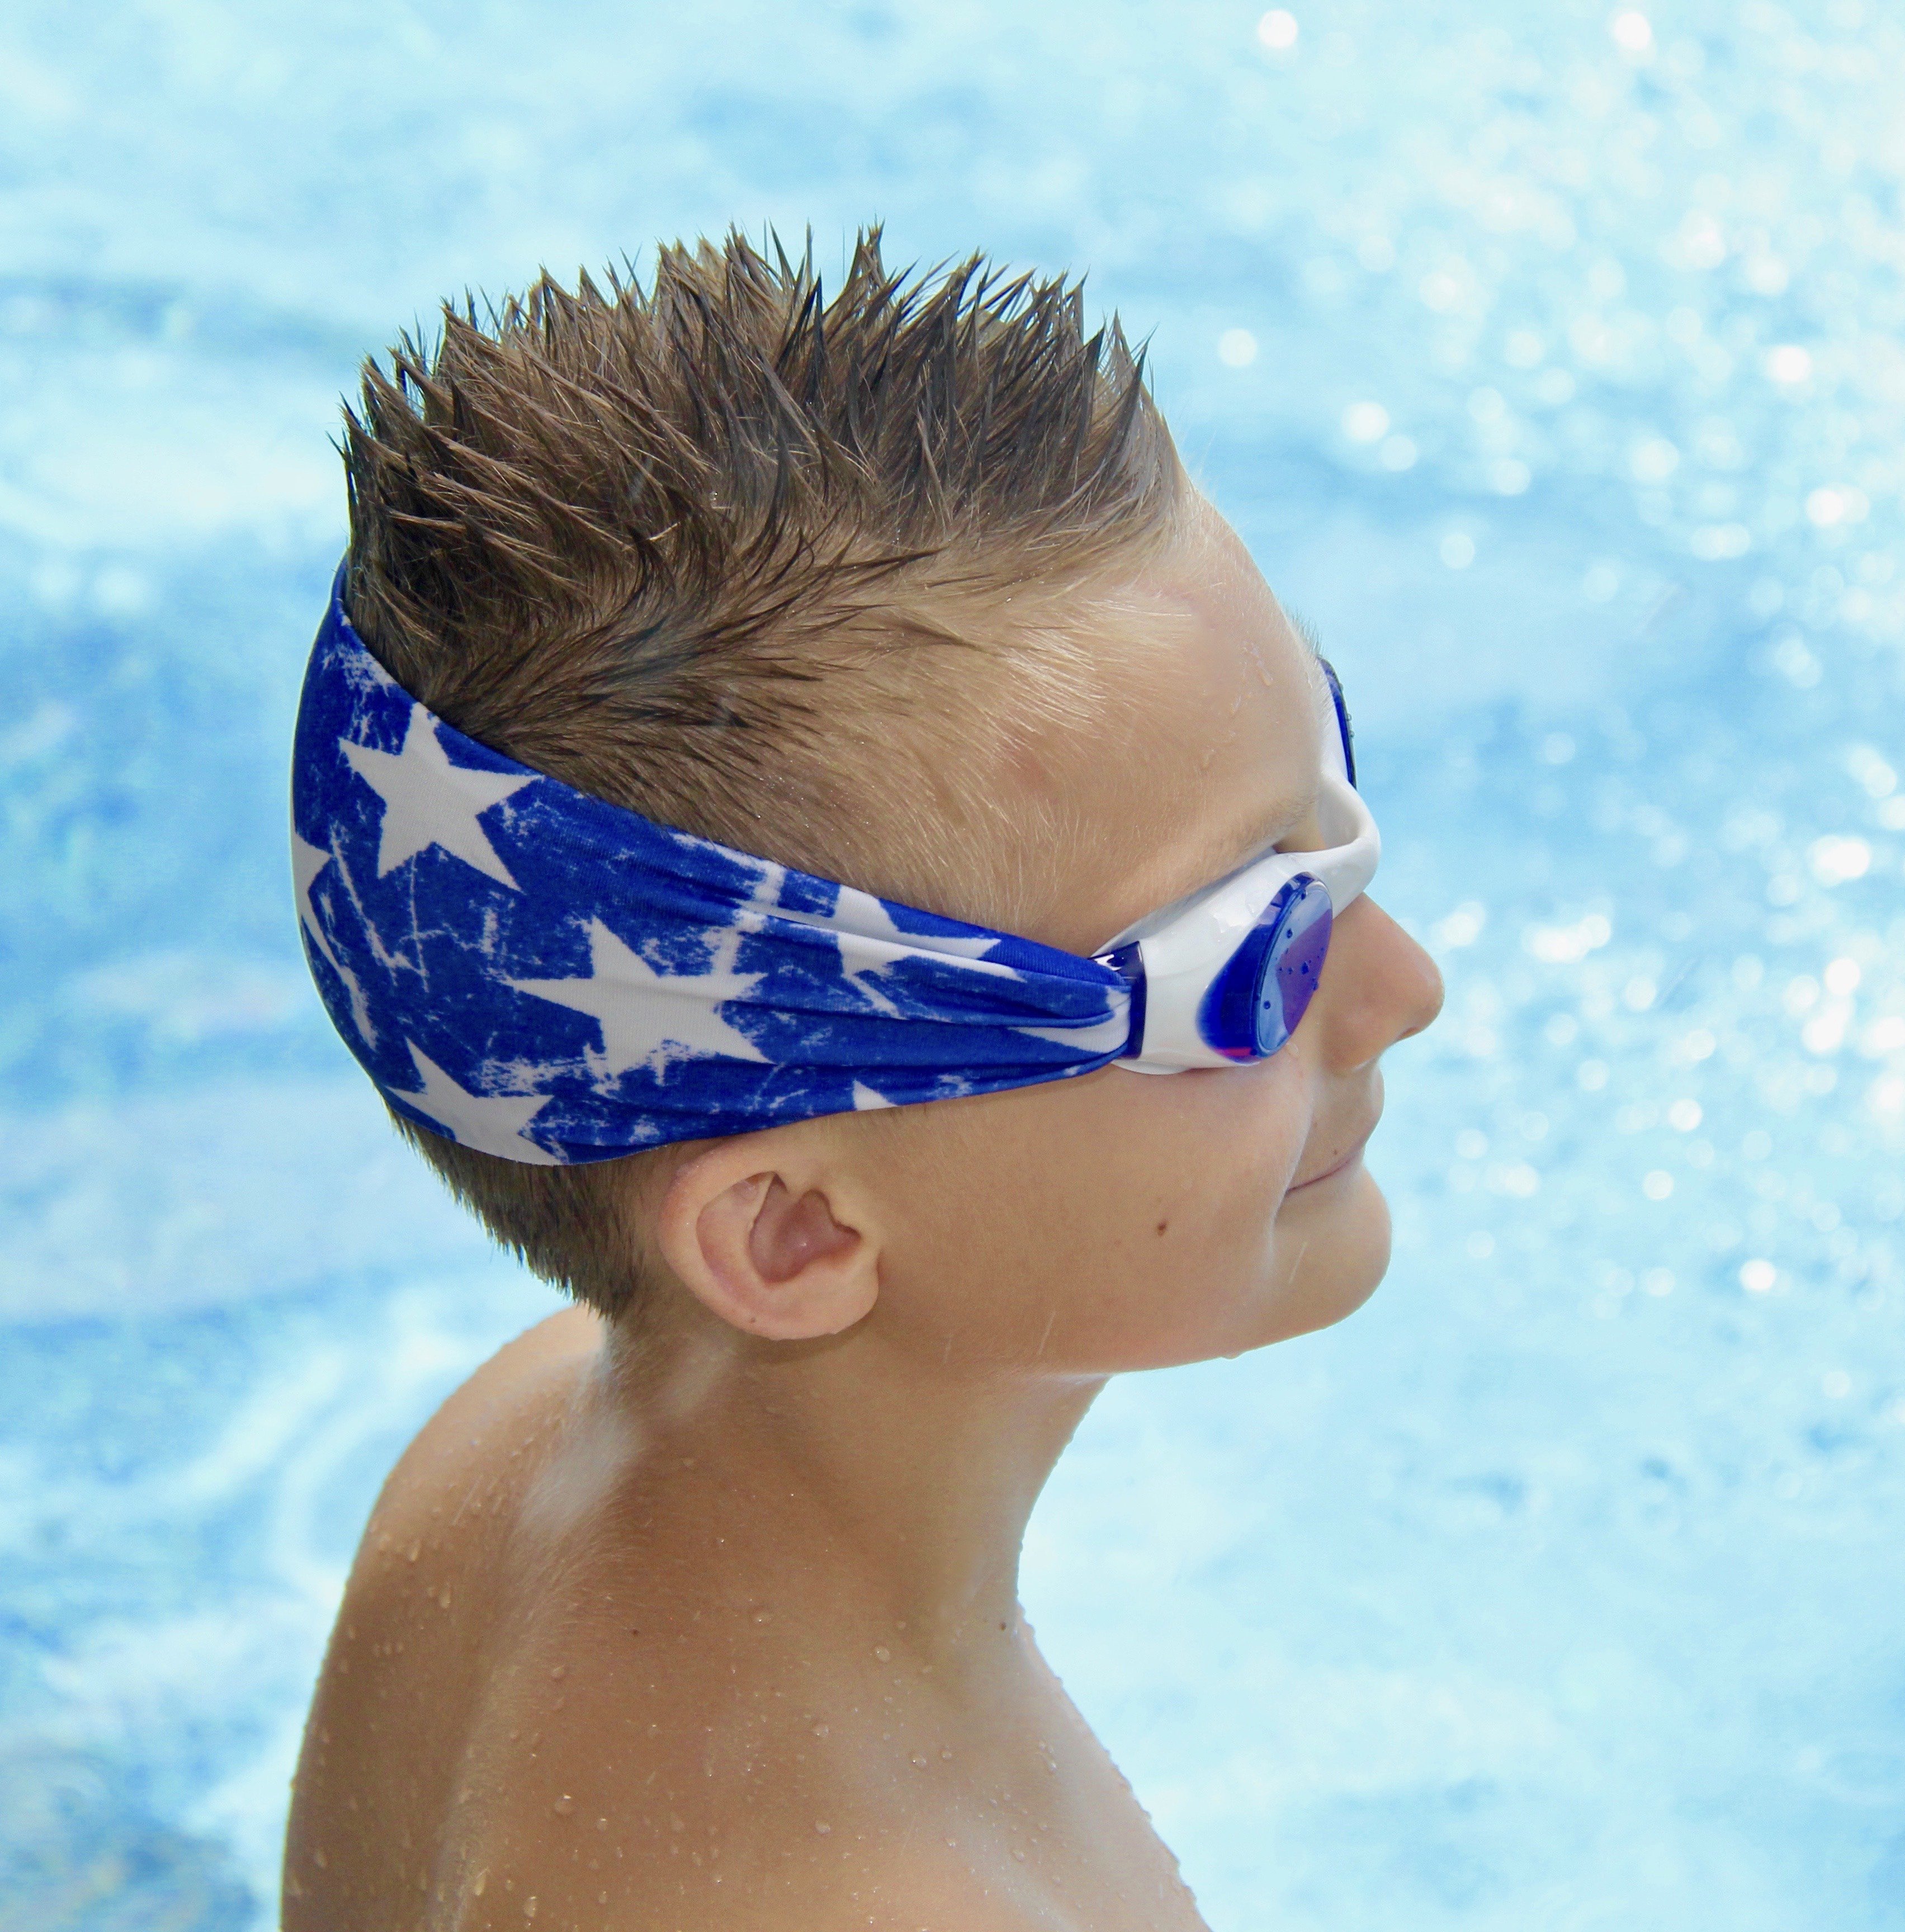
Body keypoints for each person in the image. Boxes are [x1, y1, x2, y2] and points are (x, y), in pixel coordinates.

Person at [281, 231, 1443, 1931]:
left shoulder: (521, 1448)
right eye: (1250, 949)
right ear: (795, 1235)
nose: (1405, 988)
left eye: (1319, 800)